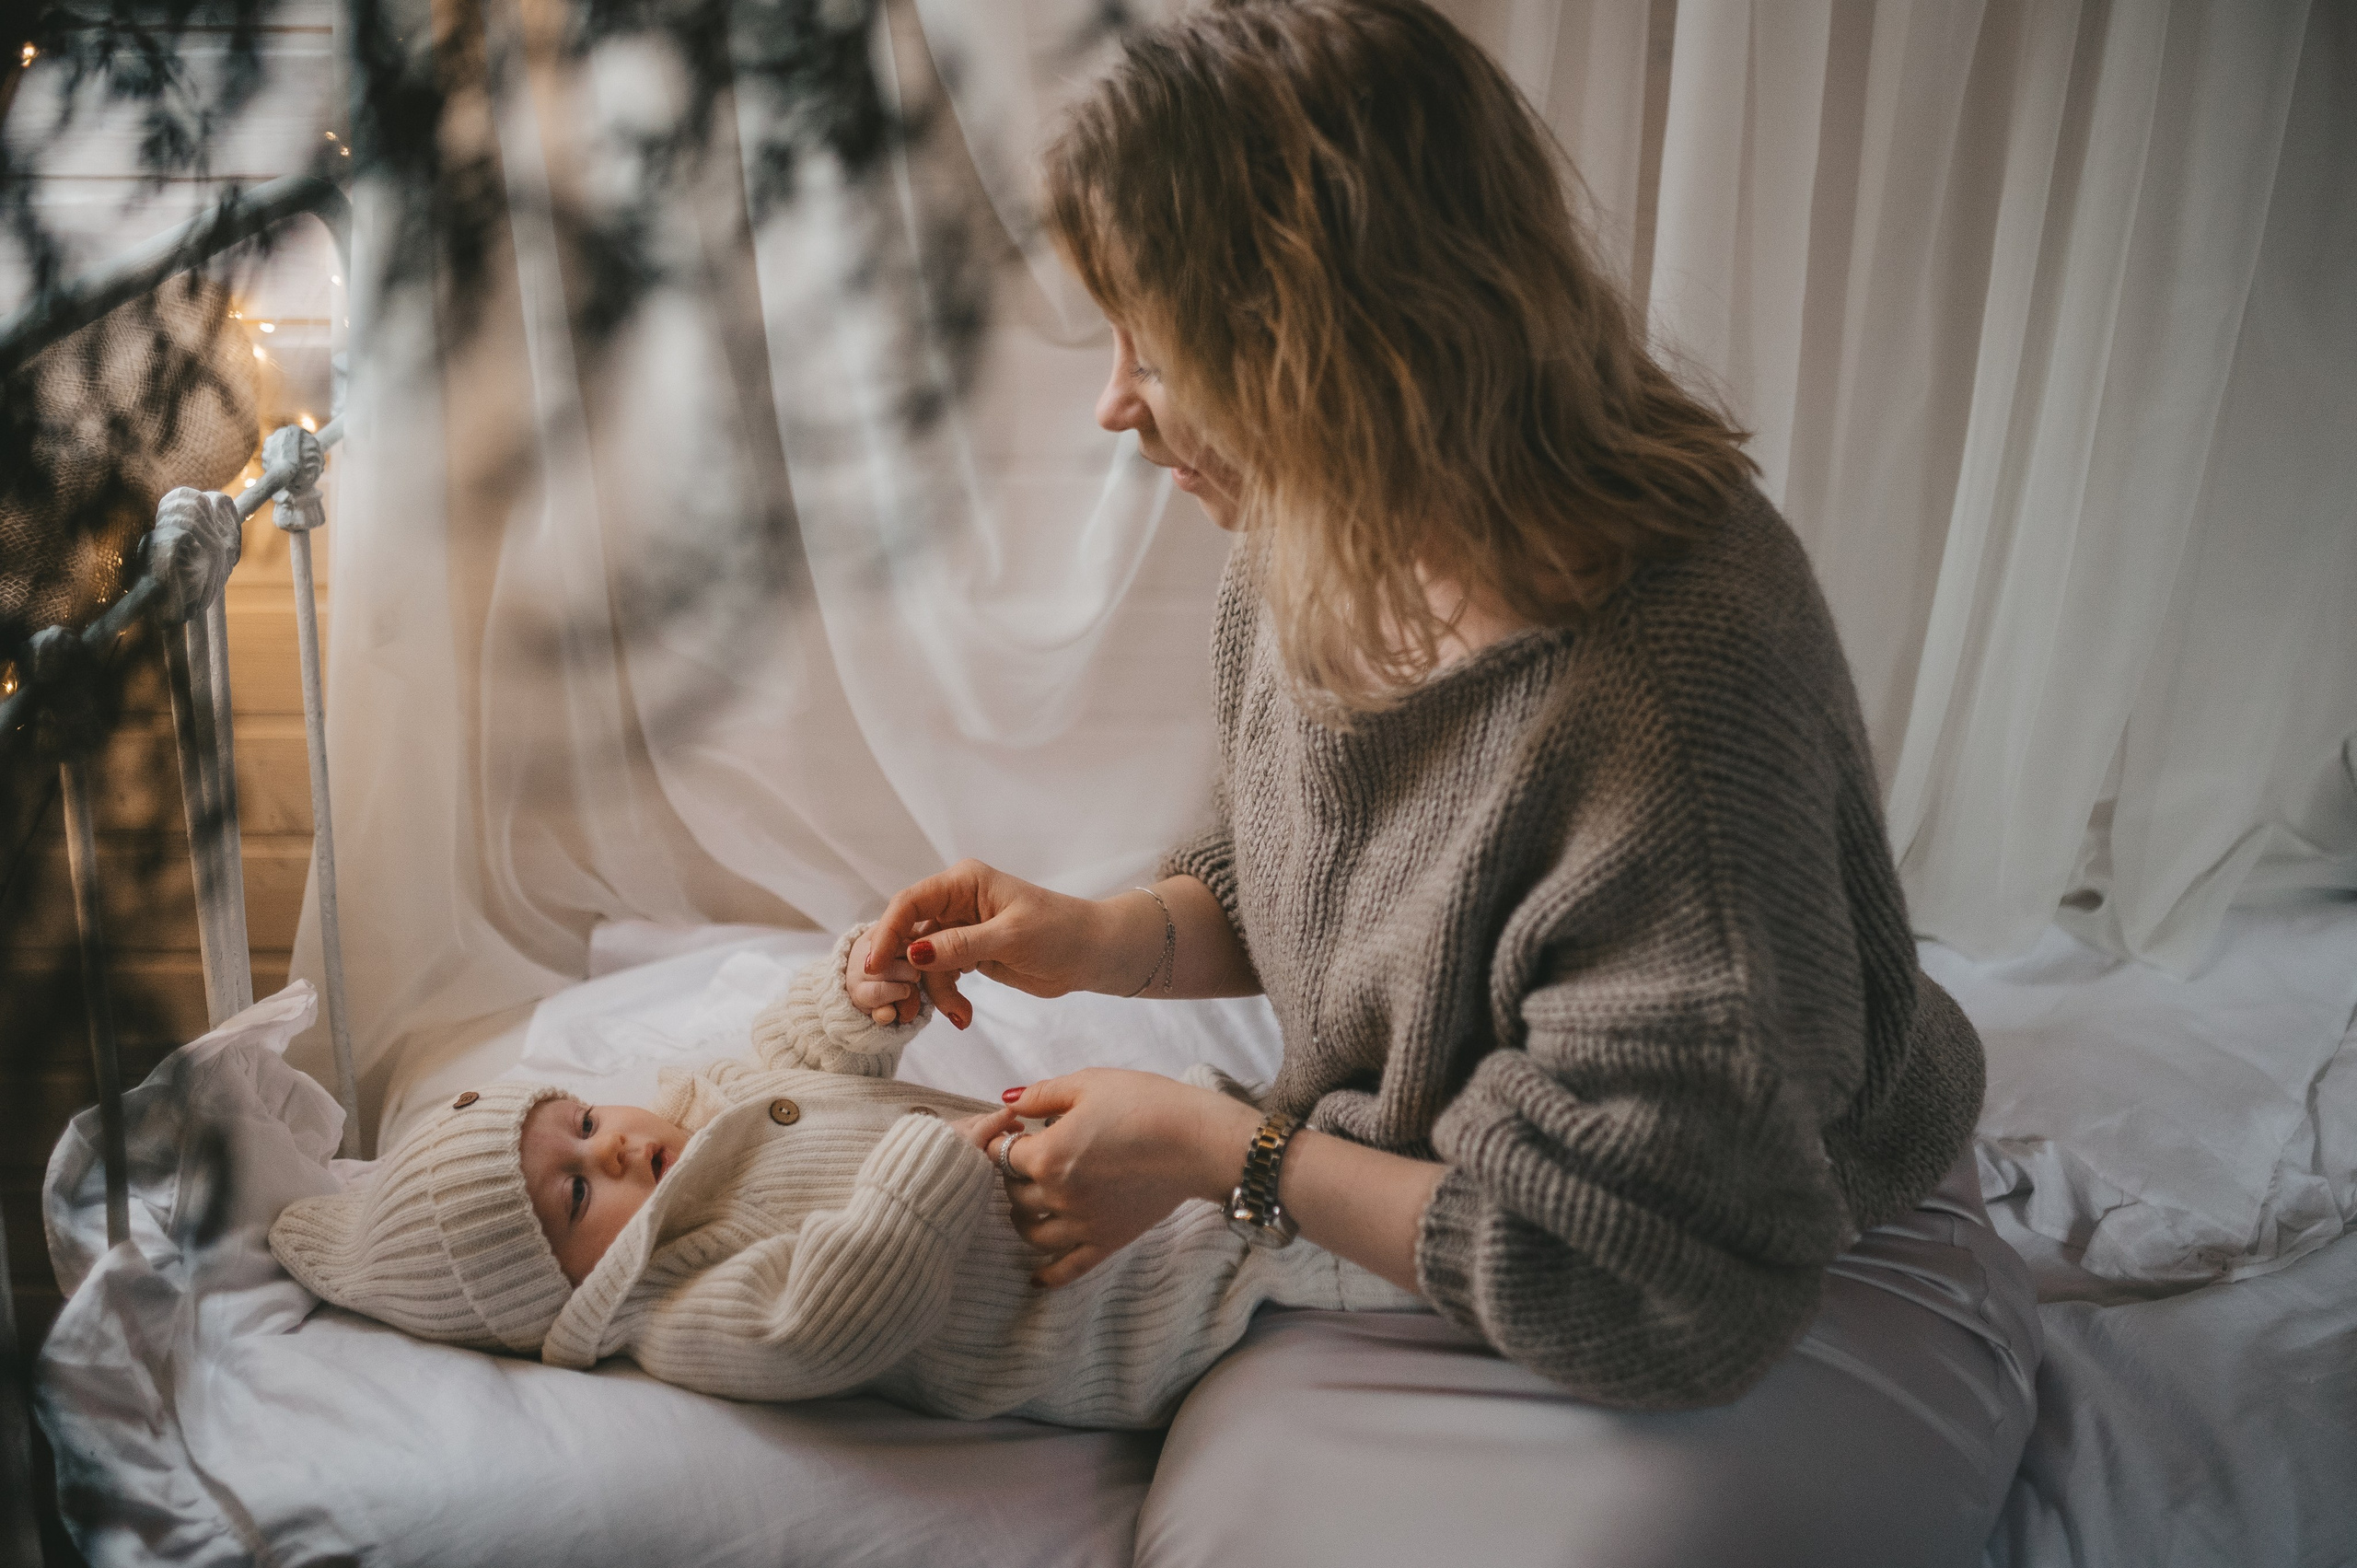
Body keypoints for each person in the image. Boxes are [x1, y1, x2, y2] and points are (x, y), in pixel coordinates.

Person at [850, 0, 2041, 1562]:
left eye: (1159, 346)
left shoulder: (1670, 708)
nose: (1116, 402)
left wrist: (1220, 1150)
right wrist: (1096, 935)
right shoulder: (1308, 534)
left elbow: (1659, 1292)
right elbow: (1329, 891)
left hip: (1751, 1273)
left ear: (1321, 345)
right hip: (1453, 1219)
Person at [265, 926, 1416, 1428]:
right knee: (1315, 1247)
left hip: (1137, 1165)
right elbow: (821, 1324)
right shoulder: (679, 1304)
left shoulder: (696, 1108)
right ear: (563, 1295)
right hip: (1114, 1304)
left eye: (575, 1120)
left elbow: (792, 1057)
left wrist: (852, 1001)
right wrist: (924, 1169)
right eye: (575, 1192)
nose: (609, 1147)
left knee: (1330, 1122)